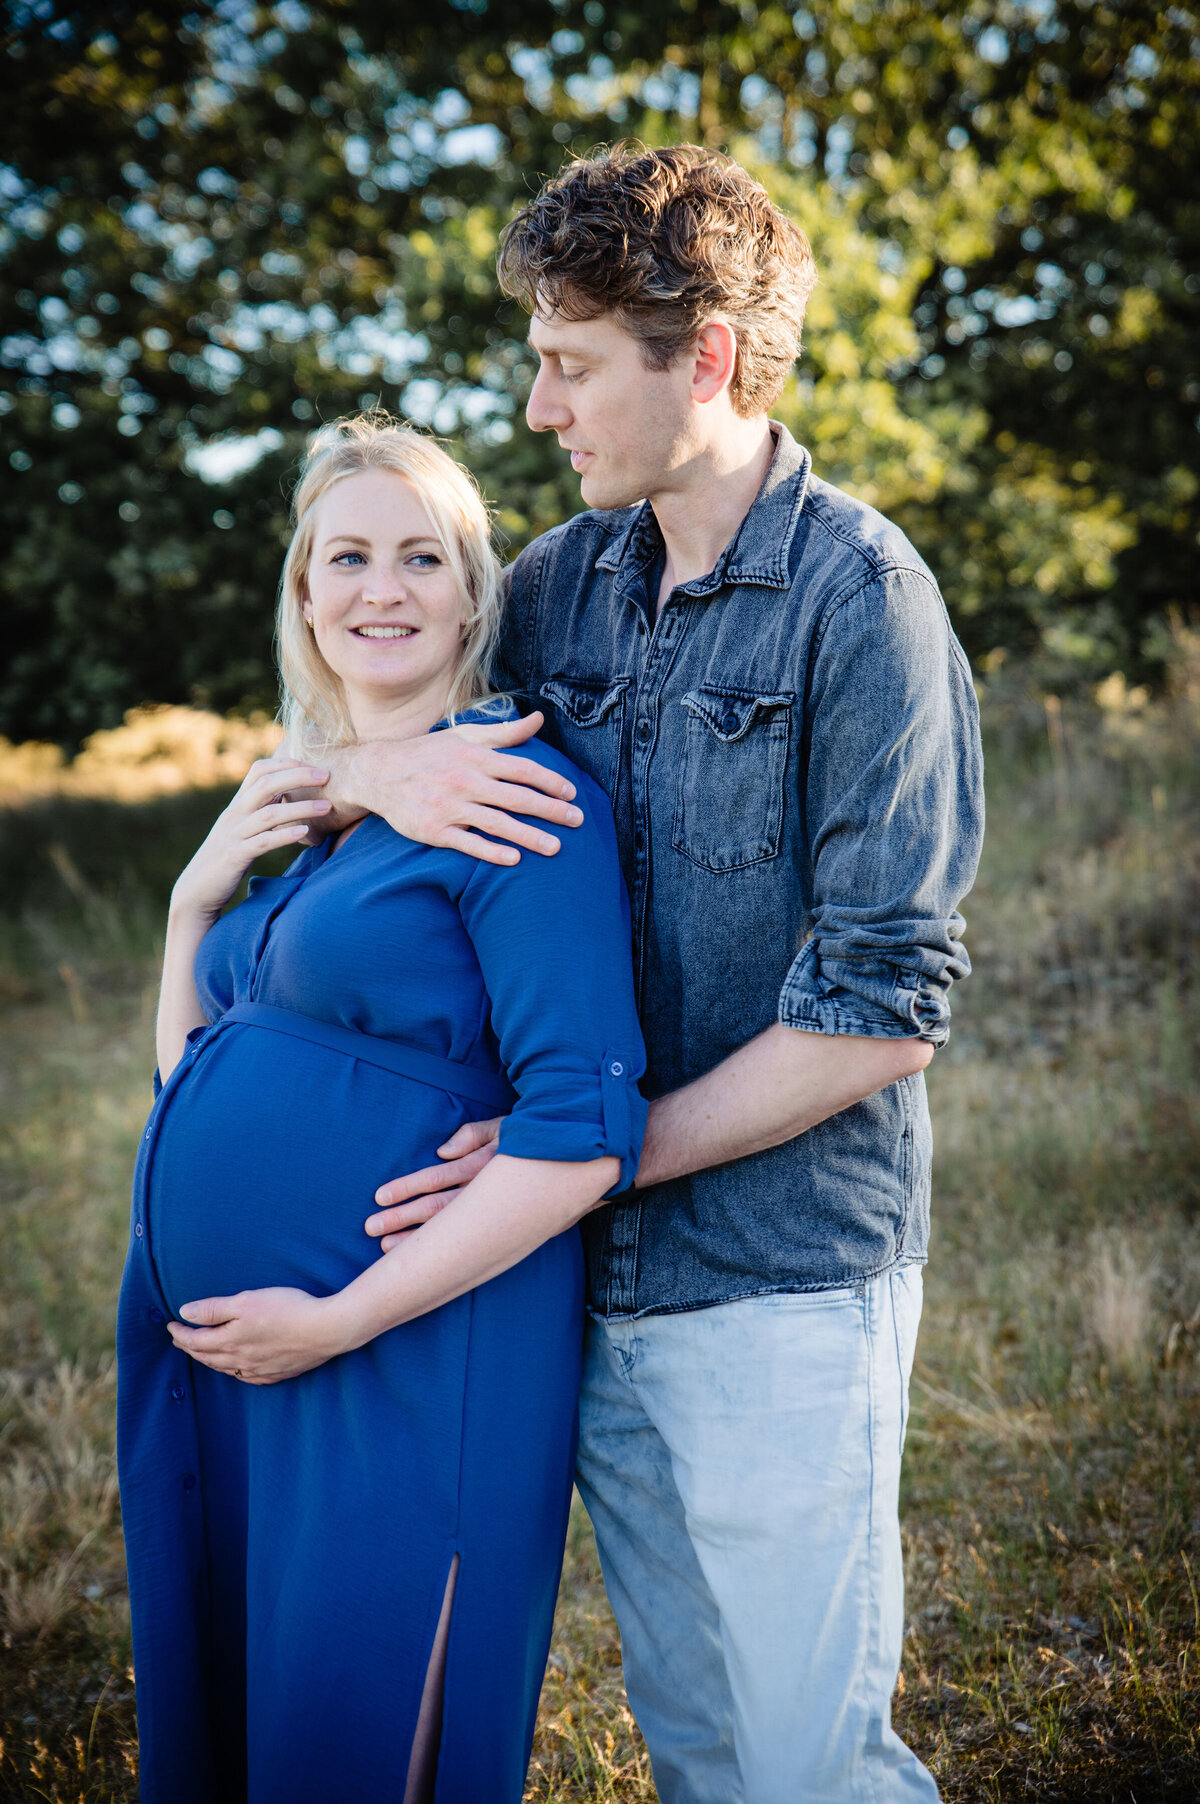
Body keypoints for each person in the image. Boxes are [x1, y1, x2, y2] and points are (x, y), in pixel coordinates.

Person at [306, 144, 987, 1802]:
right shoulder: (550, 590)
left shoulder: (863, 599)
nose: (540, 408)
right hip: (576, 1288)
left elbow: (882, 1013)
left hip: (779, 1276)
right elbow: (378, 724)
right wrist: (373, 777)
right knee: (692, 1747)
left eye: (572, 363)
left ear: (712, 362)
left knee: (811, 1762)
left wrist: (598, 1153)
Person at [116, 415, 647, 1804]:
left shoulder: (512, 796)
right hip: (242, 1361)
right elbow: (199, 1082)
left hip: (408, 1346)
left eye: (423, 556)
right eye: (346, 555)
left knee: (356, 1741)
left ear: (474, 591)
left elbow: (583, 1131)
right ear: (303, 589)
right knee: (245, 1722)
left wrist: (340, 1316)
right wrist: (188, 907)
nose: (382, 589)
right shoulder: (306, 810)